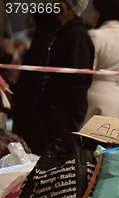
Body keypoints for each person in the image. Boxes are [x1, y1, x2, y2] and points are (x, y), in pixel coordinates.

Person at [33, 0, 94, 154]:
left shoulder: (77, 34)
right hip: (56, 111)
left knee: (65, 160)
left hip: (65, 113)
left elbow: (77, 77)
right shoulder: (64, 32)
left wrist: (55, 102)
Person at [11, 12, 61, 154]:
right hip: (36, 108)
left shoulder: (41, 43)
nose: (30, 29)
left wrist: (12, 87)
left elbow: (33, 79)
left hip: (30, 109)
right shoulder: (51, 40)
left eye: (32, 25)